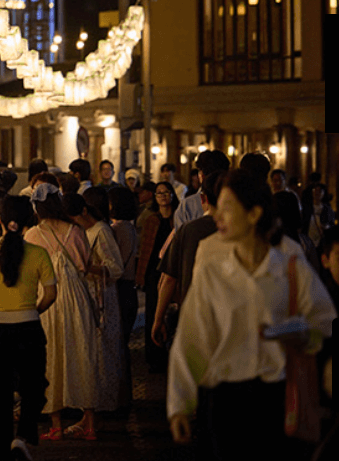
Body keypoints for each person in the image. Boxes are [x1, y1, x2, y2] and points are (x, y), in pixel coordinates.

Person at [167, 170, 336, 460]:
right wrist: (180, 404)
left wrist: (299, 334)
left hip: (278, 395)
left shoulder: (288, 258)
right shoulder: (211, 262)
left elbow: (322, 320)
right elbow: (192, 336)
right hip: (224, 397)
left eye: (228, 206)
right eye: (217, 205)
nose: (217, 215)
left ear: (255, 214)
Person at [0, 194, 56, 461]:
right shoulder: (39, 253)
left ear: (0, 220)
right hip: (28, 329)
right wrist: (33, 310)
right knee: (33, 386)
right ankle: (23, 436)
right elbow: (51, 294)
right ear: (30, 219)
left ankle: (3, 451)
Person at [24, 183, 98, 440]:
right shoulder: (76, 231)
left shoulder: (31, 235)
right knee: (81, 352)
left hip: (46, 297)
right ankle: (89, 422)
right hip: (76, 298)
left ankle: (55, 423)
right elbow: (85, 265)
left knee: (49, 356)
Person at [151, 170, 224, 351]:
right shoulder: (243, 230)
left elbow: (168, 278)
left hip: (194, 313)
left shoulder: (188, 230)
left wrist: (158, 320)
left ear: (203, 199)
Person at [68, 192, 124, 416]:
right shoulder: (83, 232)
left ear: (84, 212)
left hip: (102, 295)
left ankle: (106, 402)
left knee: (104, 349)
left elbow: (115, 267)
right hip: (87, 294)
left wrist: (88, 267)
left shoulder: (100, 231)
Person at [136, 181, 178, 372]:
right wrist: (141, 275)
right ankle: (155, 354)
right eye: (159, 193)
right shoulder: (151, 219)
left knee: (174, 313)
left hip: (173, 270)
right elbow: (145, 249)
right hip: (155, 271)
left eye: (166, 192)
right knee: (154, 311)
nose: (162, 196)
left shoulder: (178, 219)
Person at [108, 185, 139, 407]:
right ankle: (124, 395)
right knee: (122, 344)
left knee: (117, 344)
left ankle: (120, 397)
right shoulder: (130, 227)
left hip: (120, 287)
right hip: (129, 288)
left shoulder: (118, 229)